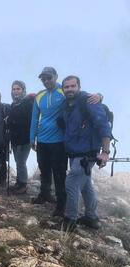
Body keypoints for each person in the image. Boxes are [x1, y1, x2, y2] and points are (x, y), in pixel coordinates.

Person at [30, 67, 102, 217]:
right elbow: (35, 118)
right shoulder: (39, 96)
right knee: (44, 170)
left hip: (59, 141)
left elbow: (84, 98)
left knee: (59, 173)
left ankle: (61, 204)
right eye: (43, 79)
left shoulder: (64, 91)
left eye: (49, 77)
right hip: (42, 140)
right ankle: (44, 194)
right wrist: (32, 137)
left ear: (55, 77)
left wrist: (100, 96)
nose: (46, 81)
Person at [60, 76, 111, 231]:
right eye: (66, 87)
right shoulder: (67, 104)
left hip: (86, 153)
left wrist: (105, 151)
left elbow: (103, 125)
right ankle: (91, 217)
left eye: (72, 86)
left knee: (72, 183)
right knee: (86, 185)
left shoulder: (88, 101)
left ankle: (70, 221)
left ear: (79, 87)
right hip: (75, 152)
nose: (69, 89)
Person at [7, 81, 35, 194]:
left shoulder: (28, 103)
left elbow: (29, 121)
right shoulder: (14, 104)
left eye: (18, 89)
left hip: (24, 138)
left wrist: (12, 121)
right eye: (14, 89)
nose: (15, 91)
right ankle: (19, 182)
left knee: (21, 161)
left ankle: (23, 184)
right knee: (18, 161)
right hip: (15, 138)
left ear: (23, 90)